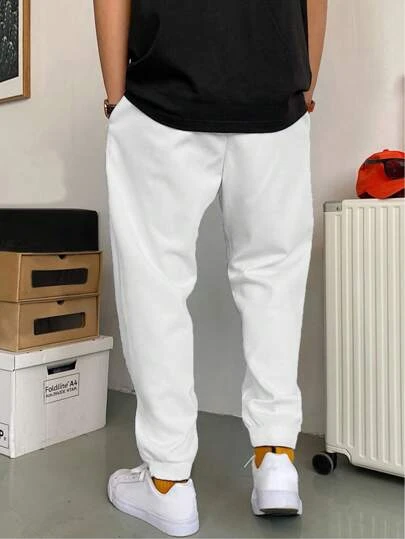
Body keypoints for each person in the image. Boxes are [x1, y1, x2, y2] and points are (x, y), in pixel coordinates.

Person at [94, 0, 327, 535]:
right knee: (273, 275)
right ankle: (276, 459)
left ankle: (167, 481)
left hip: (165, 85)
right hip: (276, 85)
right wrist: (303, 83)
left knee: (155, 281)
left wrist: (115, 98)